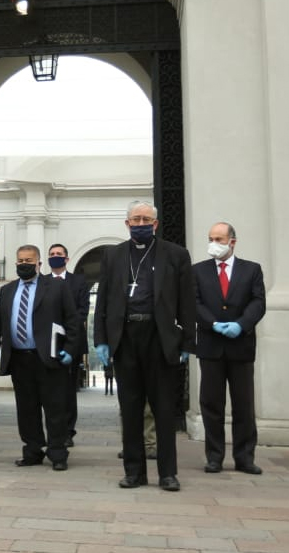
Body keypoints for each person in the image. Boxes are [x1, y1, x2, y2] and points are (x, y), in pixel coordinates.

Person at [94, 200, 195, 492]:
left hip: (160, 337)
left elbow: (187, 301)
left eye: (146, 219)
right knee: (131, 408)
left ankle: (167, 474)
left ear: (156, 224)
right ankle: (134, 472)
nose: (141, 224)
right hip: (126, 338)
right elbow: (103, 299)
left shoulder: (176, 255)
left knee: (164, 409)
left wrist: (188, 340)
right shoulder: (113, 256)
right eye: (135, 219)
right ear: (127, 224)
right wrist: (101, 338)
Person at [0, 245, 81, 471]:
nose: (24, 264)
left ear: (39, 263)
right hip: (20, 359)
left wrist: (70, 348)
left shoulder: (57, 288)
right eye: (20, 261)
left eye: (29, 260)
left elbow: (73, 320)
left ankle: (58, 453)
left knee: (55, 408)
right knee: (26, 409)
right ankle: (32, 450)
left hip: (48, 358)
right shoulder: (8, 290)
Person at [193, 223, 266, 474]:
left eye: (219, 238)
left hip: (240, 345)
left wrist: (241, 324)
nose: (214, 242)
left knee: (244, 405)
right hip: (211, 346)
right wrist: (212, 323)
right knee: (211, 404)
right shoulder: (198, 271)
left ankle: (245, 457)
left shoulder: (251, 270)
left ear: (232, 241)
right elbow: (194, 302)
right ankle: (214, 456)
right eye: (211, 238)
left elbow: (258, 302)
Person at [46, 243, 89, 448]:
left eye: (59, 254)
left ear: (67, 259)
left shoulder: (78, 282)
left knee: (68, 391)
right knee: (49, 389)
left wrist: (64, 329)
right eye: (52, 254)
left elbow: (82, 311)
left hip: (71, 342)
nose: (55, 257)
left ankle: (68, 431)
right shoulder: (42, 282)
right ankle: (52, 431)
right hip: (46, 343)